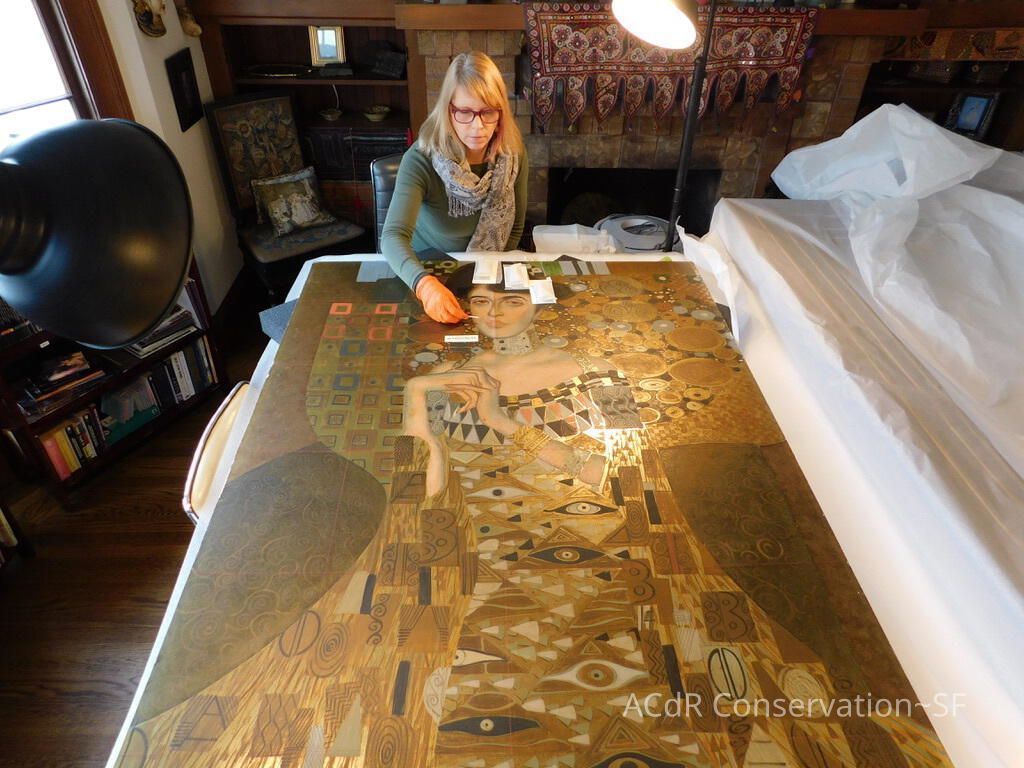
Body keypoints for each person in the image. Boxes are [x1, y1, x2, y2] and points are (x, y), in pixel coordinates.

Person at [381, 51, 528, 324]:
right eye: (465, 112)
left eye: (488, 112)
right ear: (449, 110)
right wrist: (424, 285)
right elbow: (392, 236)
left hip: (484, 272)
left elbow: (516, 227)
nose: (478, 126)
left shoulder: (513, 154)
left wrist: (486, 275)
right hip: (424, 270)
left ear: (500, 113)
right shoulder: (421, 158)